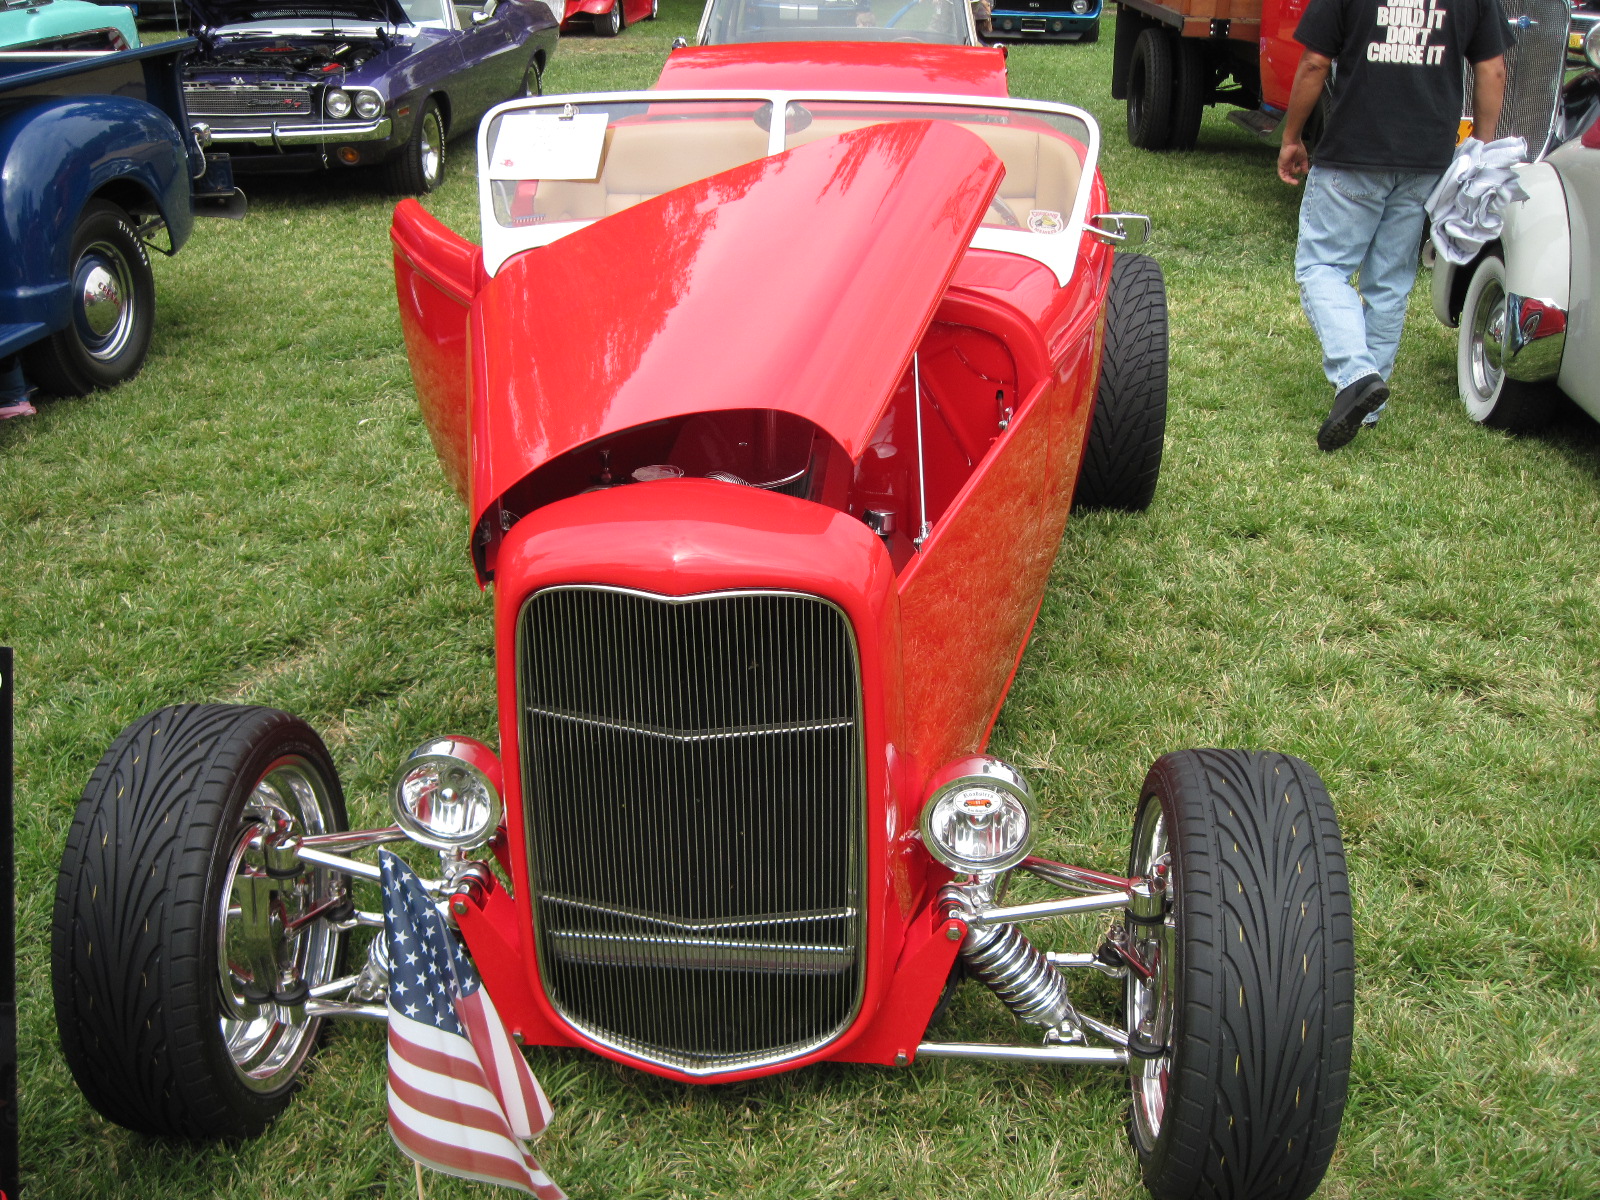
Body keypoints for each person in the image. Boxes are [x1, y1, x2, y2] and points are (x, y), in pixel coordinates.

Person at [1277, 0, 1506, 450]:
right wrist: (1481, 147)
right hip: (1426, 161)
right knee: (1390, 283)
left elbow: (1315, 62)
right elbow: (1492, 68)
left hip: (1352, 153)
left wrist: (1291, 137)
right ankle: (1369, 409)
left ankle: (1357, 375)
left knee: (1322, 268)